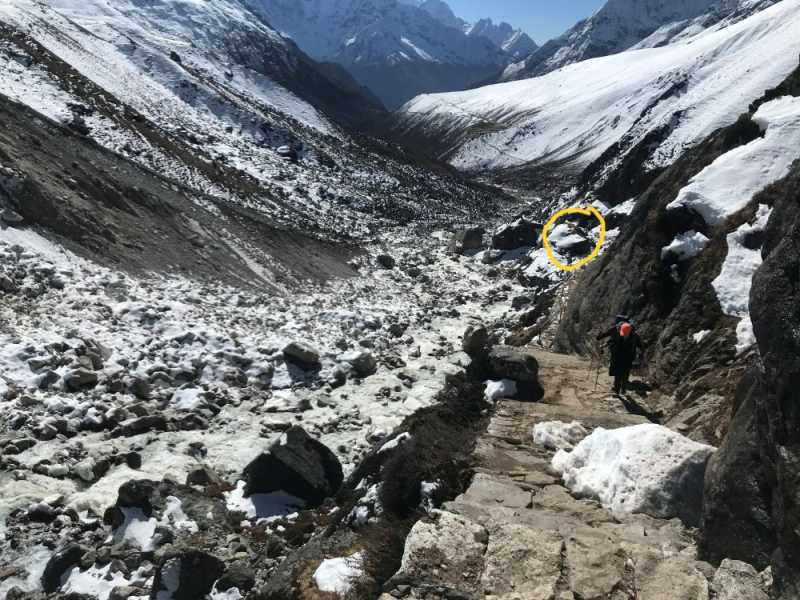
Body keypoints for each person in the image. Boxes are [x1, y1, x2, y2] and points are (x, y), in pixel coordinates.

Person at [597, 317, 643, 395]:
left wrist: (600, 338)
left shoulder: (623, 333)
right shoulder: (633, 335)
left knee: (620, 373)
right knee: (624, 373)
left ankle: (619, 389)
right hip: (626, 357)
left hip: (620, 356)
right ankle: (621, 389)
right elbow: (641, 345)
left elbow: (610, 339)